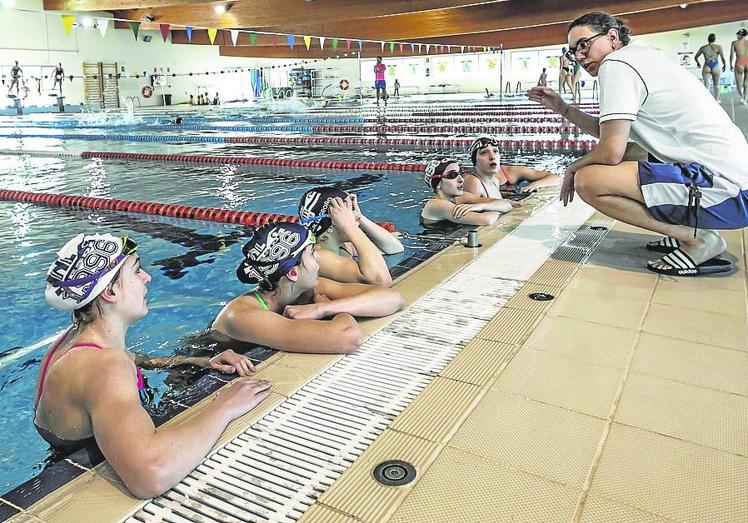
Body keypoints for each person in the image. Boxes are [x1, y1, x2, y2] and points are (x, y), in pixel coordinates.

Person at [35, 233, 271, 498]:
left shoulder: (73, 340)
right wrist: (225, 405)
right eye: (137, 270)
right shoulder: (103, 366)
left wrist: (198, 361)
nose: (147, 277)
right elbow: (151, 476)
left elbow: (132, 359)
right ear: (110, 291)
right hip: (76, 483)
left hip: (61, 457)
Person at [528, 11, 748, 276]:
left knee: (588, 180)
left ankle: (698, 237)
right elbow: (615, 137)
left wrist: (572, 168)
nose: (579, 56)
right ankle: (690, 230)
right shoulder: (642, 55)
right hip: (735, 185)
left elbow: (610, 152)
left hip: (729, 195)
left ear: (612, 36)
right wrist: (563, 108)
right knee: (638, 155)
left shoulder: (617, 65)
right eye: (573, 50)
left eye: (584, 44)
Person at [211, 222, 404, 353]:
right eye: (312, 253)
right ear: (293, 273)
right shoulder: (242, 315)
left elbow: (392, 298)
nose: (319, 256)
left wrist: (322, 308)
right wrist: (332, 309)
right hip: (193, 375)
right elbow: (349, 338)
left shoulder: (307, 288)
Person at [298, 187, 403, 286]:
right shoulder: (318, 257)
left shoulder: (342, 246)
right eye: (348, 211)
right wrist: (351, 227)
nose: (354, 215)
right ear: (331, 224)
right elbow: (382, 280)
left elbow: (395, 248)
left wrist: (360, 217)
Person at [421, 158, 513, 226]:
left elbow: (506, 204)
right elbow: (486, 220)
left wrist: (481, 206)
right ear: (437, 184)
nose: (461, 179)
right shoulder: (437, 205)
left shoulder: (457, 198)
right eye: (452, 175)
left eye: (459, 173)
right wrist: (495, 208)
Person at [463, 134, 561, 199]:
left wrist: (535, 185)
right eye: (484, 153)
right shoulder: (471, 181)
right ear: (474, 160)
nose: (492, 156)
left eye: (495, 151)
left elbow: (557, 178)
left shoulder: (510, 172)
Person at [695, 33, 726, 102]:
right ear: (715, 40)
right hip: (716, 65)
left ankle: (707, 101)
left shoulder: (703, 47)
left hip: (707, 65)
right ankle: (717, 100)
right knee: (716, 84)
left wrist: (698, 63)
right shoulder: (718, 47)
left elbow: (696, 57)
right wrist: (725, 65)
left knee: (706, 85)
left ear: (708, 39)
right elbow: (722, 57)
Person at [730, 28, 748, 104]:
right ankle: (745, 98)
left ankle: (741, 97)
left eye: (737, 34)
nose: (737, 36)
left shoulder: (734, 43)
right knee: (746, 82)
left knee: (738, 84)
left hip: (739, 62)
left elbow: (731, 55)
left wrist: (730, 64)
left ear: (740, 35)